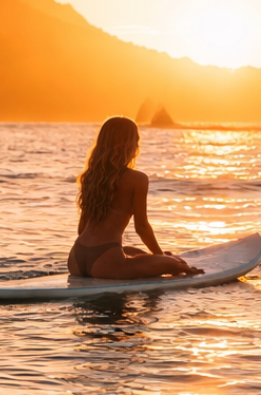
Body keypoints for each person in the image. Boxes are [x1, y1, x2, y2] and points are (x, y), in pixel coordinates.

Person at [68, 116, 203, 280]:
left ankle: (146, 257)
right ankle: (166, 261)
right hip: (106, 264)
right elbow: (142, 227)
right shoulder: (137, 179)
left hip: (76, 257)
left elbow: (82, 228)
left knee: (133, 251)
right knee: (175, 262)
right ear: (129, 144)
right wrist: (161, 258)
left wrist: (113, 251)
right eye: (136, 141)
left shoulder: (90, 177)